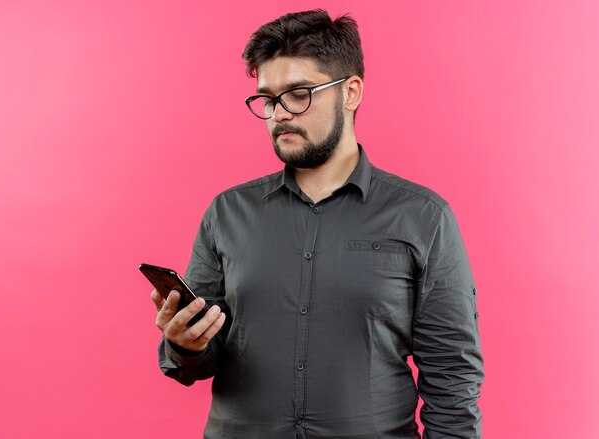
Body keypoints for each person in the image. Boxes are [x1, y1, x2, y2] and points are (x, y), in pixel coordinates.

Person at [151, 9, 483, 439]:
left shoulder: (423, 217)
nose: (280, 114)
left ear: (351, 92)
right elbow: (201, 356)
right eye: (268, 99)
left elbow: (452, 374)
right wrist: (186, 344)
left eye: (298, 94)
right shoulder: (226, 213)